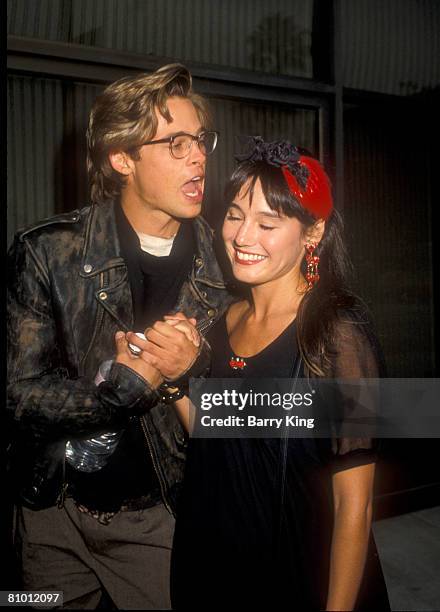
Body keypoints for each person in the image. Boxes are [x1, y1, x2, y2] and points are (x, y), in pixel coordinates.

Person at [127, 137, 391, 610]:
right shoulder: (222, 320)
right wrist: (169, 377)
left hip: (298, 574)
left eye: (268, 223)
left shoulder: (338, 333)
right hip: (212, 565)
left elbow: (356, 507)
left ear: (313, 233)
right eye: (234, 215)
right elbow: (219, 438)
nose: (243, 237)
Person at [7, 63, 232, 609]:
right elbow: (17, 393)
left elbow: (249, 415)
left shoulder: (230, 260)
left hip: (161, 522)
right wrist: (121, 389)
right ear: (122, 158)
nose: (199, 156)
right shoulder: (47, 252)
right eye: (176, 143)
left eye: (200, 140)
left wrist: (193, 369)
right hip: (53, 518)